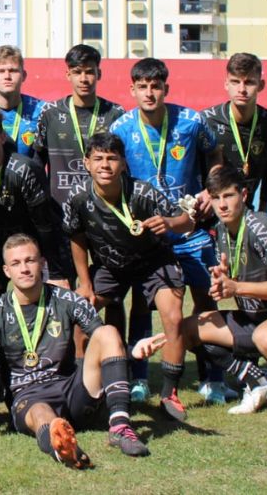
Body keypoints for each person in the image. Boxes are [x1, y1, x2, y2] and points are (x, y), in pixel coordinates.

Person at [135, 166, 267, 426]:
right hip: (255, 319)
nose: (222, 205)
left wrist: (236, 287)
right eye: (215, 198)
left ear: (244, 195)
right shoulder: (222, 231)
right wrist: (223, 283)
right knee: (188, 329)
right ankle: (258, 382)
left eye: (228, 196)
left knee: (266, 337)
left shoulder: (261, 227)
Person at [0, 234, 149, 469]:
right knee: (42, 414)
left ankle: (120, 427)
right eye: (16, 263)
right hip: (28, 396)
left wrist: (133, 351)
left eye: (30, 260)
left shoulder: (68, 300)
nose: (24, 269)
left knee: (108, 331)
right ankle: (61, 446)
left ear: (42, 264)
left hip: (74, 389)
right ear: (6, 271)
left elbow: (105, 341)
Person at [109, 58, 231, 403]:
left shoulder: (192, 121)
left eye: (156, 86)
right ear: (132, 90)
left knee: (206, 301)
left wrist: (211, 187)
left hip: (191, 230)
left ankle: (214, 378)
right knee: (143, 305)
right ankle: (139, 378)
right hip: (147, 233)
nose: (150, 92)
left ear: (166, 88)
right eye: (143, 86)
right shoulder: (121, 128)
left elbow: (215, 154)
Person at [62, 133, 195, 421]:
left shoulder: (143, 192)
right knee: (78, 313)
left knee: (172, 317)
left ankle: (169, 393)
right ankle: (84, 386)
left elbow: (187, 221)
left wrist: (169, 222)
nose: (105, 165)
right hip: (111, 266)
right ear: (86, 163)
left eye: (112, 158)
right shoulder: (78, 197)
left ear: (123, 163)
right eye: (98, 158)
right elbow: (77, 239)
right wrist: (85, 284)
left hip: (154, 263)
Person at [0, 106, 73, 368]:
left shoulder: (24, 169)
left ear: (2, 137)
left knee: (51, 306)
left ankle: (60, 368)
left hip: (33, 246)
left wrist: (54, 271)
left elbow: (45, 225)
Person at [34, 44, 124, 204]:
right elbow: (38, 162)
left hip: (103, 208)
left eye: (89, 72)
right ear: (68, 75)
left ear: (99, 74)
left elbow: (123, 164)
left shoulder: (115, 114)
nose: (83, 79)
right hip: (59, 209)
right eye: (77, 72)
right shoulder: (50, 113)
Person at [201, 53, 267, 213]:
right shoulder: (205, 121)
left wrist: (263, 208)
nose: (242, 89)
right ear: (226, 84)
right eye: (235, 82)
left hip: (248, 211)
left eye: (249, 82)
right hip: (211, 213)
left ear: (261, 85)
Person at [0, 45, 45, 160]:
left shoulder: (41, 110)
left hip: (26, 175)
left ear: (23, 76)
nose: (7, 76)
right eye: (0, 71)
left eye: (13, 71)